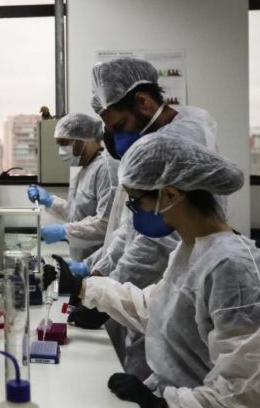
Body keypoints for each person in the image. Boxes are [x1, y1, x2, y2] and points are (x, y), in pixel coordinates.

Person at [46, 133, 260, 408]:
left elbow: (252, 392)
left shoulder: (233, 268)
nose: (133, 212)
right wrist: (82, 287)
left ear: (170, 195)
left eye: (136, 202)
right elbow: (155, 309)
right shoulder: (191, 250)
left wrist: (162, 405)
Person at [65, 57, 220, 380]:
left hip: (167, 290)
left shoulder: (176, 142)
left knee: (170, 367)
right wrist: (98, 278)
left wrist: (102, 292)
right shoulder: (153, 144)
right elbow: (129, 225)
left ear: (144, 102)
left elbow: (155, 242)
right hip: (150, 294)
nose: (117, 137)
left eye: (120, 126)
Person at [27, 113, 118, 263]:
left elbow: (106, 224)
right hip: (82, 260)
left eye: (64, 142)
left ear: (83, 140)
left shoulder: (106, 170)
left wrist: (63, 231)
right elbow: (77, 215)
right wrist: (50, 201)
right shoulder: (83, 171)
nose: (61, 150)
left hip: (101, 264)